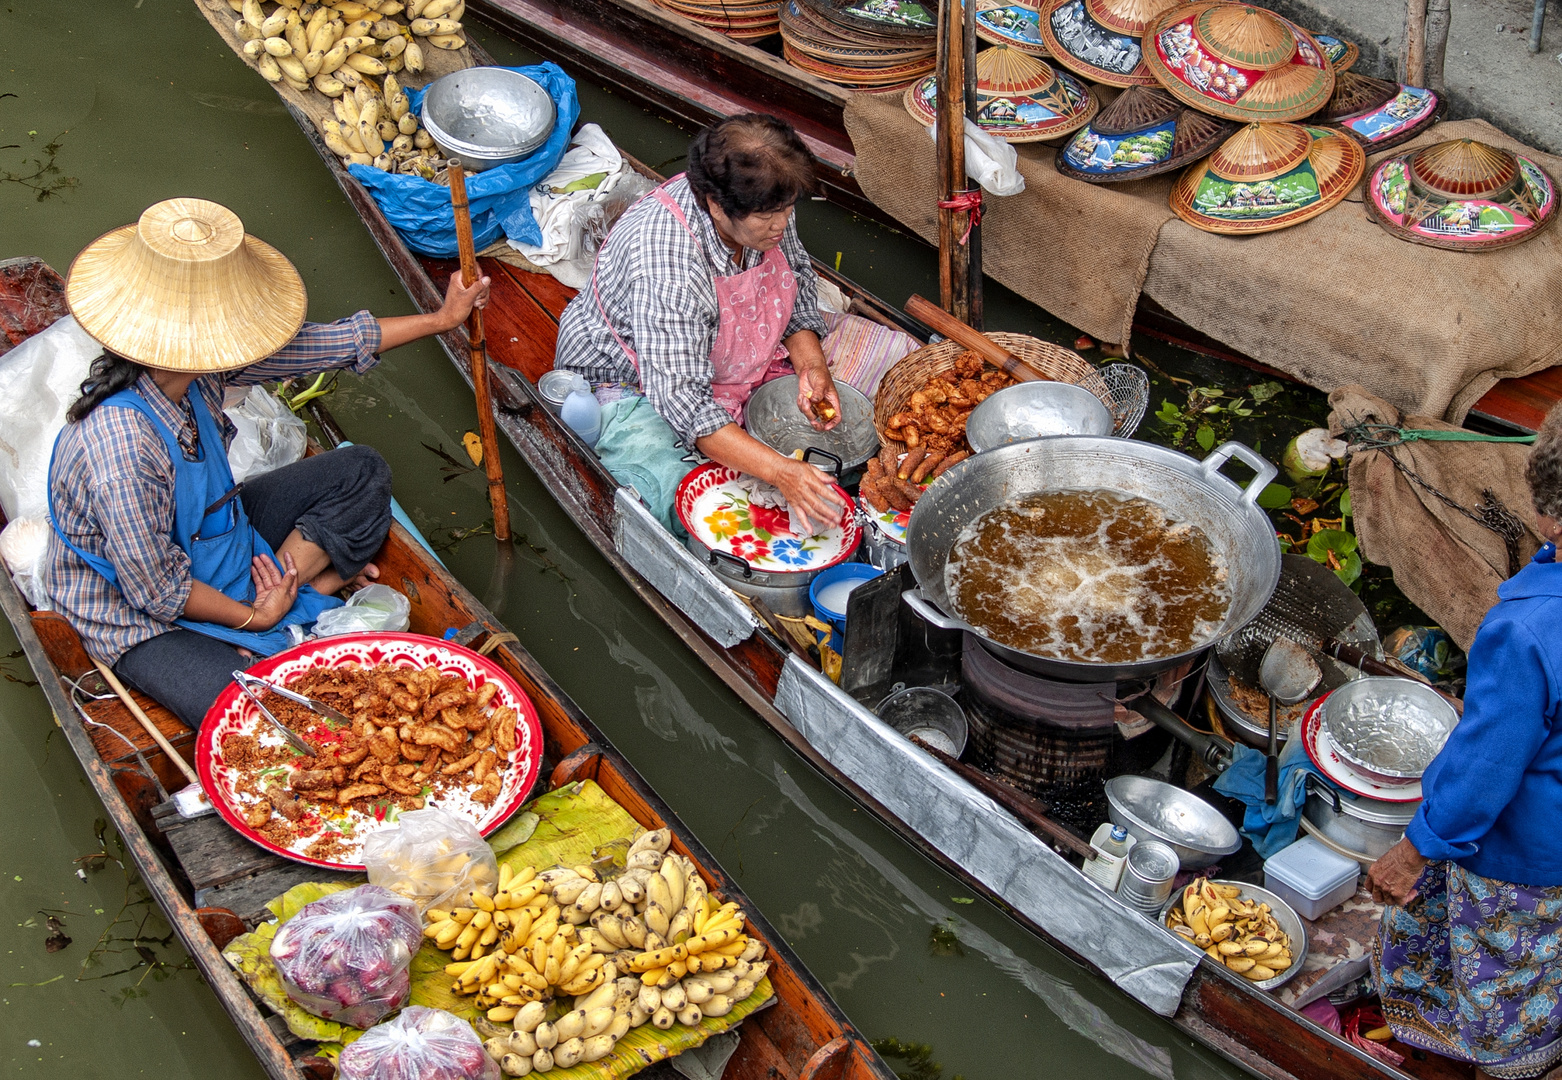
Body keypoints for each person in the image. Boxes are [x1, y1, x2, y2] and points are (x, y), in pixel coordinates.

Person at [45, 197, 489, 730]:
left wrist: (442, 319)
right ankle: (291, 604)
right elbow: (156, 591)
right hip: (136, 611)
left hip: (214, 538)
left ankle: (293, 593)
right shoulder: (122, 447)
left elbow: (321, 345)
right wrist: (259, 615)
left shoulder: (195, 373)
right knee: (258, 715)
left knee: (361, 470)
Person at [1369, 401, 1562, 1080]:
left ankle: (1501, 1063)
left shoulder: (1530, 629)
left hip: (1528, 858)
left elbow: (1485, 769)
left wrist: (1416, 849)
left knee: (1502, 976)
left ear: (1547, 513)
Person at [555, 113, 846, 534]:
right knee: (687, 501)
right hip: (631, 379)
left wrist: (812, 367)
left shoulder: (767, 199)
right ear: (715, 204)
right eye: (768, 216)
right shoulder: (668, 262)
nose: (781, 225)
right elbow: (683, 400)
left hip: (732, 349)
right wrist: (782, 472)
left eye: (788, 209)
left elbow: (797, 279)